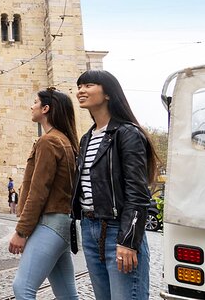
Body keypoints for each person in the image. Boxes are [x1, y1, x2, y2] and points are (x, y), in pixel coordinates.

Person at [72, 70, 157, 300]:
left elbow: (138, 194)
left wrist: (128, 241)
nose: (81, 90)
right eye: (79, 86)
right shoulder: (87, 138)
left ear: (108, 93)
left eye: (89, 85)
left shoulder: (127, 133)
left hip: (117, 230)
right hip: (90, 229)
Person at [10, 88, 79, 300]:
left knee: (22, 289)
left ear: (46, 109)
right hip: (63, 225)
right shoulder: (66, 141)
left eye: (35, 102)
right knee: (67, 294)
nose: (32, 107)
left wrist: (21, 232)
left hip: (49, 224)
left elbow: (38, 192)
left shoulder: (48, 141)